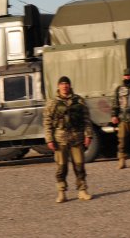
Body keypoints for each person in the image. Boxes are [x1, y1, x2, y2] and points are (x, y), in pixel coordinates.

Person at [43, 75, 93, 203]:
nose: (64, 86)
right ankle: (61, 192)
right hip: (60, 139)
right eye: (62, 84)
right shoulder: (52, 103)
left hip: (77, 137)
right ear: (58, 86)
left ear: (70, 86)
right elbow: (47, 122)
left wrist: (88, 135)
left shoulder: (79, 101)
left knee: (79, 166)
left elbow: (86, 120)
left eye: (66, 84)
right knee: (61, 167)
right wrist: (49, 139)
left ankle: (82, 190)